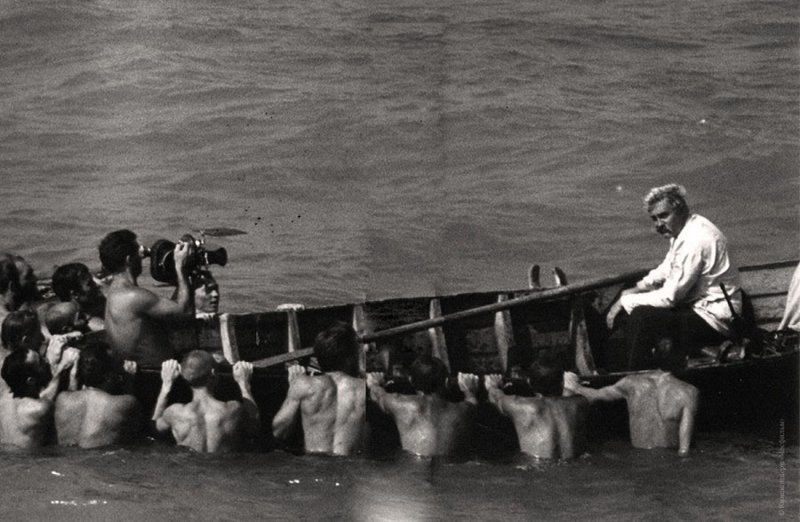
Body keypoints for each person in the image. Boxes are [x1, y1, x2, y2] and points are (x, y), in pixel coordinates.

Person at [605, 184, 742, 370]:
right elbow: (667, 267)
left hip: (716, 321)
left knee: (641, 316)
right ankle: (627, 360)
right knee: (631, 293)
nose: (658, 224)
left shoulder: (695, 240)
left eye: (664, 216)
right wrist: (639, 286)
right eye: (654, 219)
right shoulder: (683, 230)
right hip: (698, 307)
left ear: (681, 210)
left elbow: (670, 298)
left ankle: (635, 375)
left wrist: (625, 301)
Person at [563, 340, 699, 456]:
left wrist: (574, 386)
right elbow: (684, 450)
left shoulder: (630, 384)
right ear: (685, 359)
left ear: (653, 353)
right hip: (669, 463)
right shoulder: (688, 392)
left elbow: (595, 396)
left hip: (639, 460)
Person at [99, 229, 194, 366]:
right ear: (128, 260)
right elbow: (185, 312)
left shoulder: (114, 292)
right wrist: (180, 267)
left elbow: (172, 312)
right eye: (137, 252)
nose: (141, 256)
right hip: (154, 376)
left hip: (143, 371)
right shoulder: (133, 296)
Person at [272, 322, 366, 456]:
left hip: (314, 465)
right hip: (351, 468)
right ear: (350, 357)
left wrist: (293, 387)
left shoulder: (304, 384)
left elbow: (279, 431)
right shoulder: (364, 388)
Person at [366, 355, 479, 458]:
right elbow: (472, 401)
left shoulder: (400, 404)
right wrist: (469, 389)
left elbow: (377, 395)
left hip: (412, 470)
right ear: (446, 381)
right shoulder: (462, 410)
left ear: (411, 380)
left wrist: (375, 383)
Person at [152, 351, 259, 453]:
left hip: (188, 469)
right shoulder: (233, 410)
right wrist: (244, 384)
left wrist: (166, 385)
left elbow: (154, 429)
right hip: (225, 468)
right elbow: (255, 428)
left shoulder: (174, 413)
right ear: (213, 373)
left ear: (183, 374)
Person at [484, 360, 588, 460]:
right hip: (574, 466)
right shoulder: (579, 403)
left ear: (529, 382)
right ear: (561, 383)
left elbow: (496, 397)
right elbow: (597, 394)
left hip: (536, 467)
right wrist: (573, 387)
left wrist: (493, 385)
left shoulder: (519, 405)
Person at [54, 342, 142, 448]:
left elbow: (73, 394)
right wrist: (129, 380)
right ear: (109, 373)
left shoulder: (62, 399)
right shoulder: (124, 404)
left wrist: (73, 376)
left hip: (65, 462)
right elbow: (136, 429)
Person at [0, 345, 79, 448]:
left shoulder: (3, 398)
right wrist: (62, 369)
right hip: (30, 461)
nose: (46, 360)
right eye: (41, 362)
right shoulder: (39, 409)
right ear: (30, 381)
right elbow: (69, 399)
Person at [50, 262, 105, 331]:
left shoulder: (99, 303)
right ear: (75, 294)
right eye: (90, 283)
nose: (98, 284)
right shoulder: (93, 325)